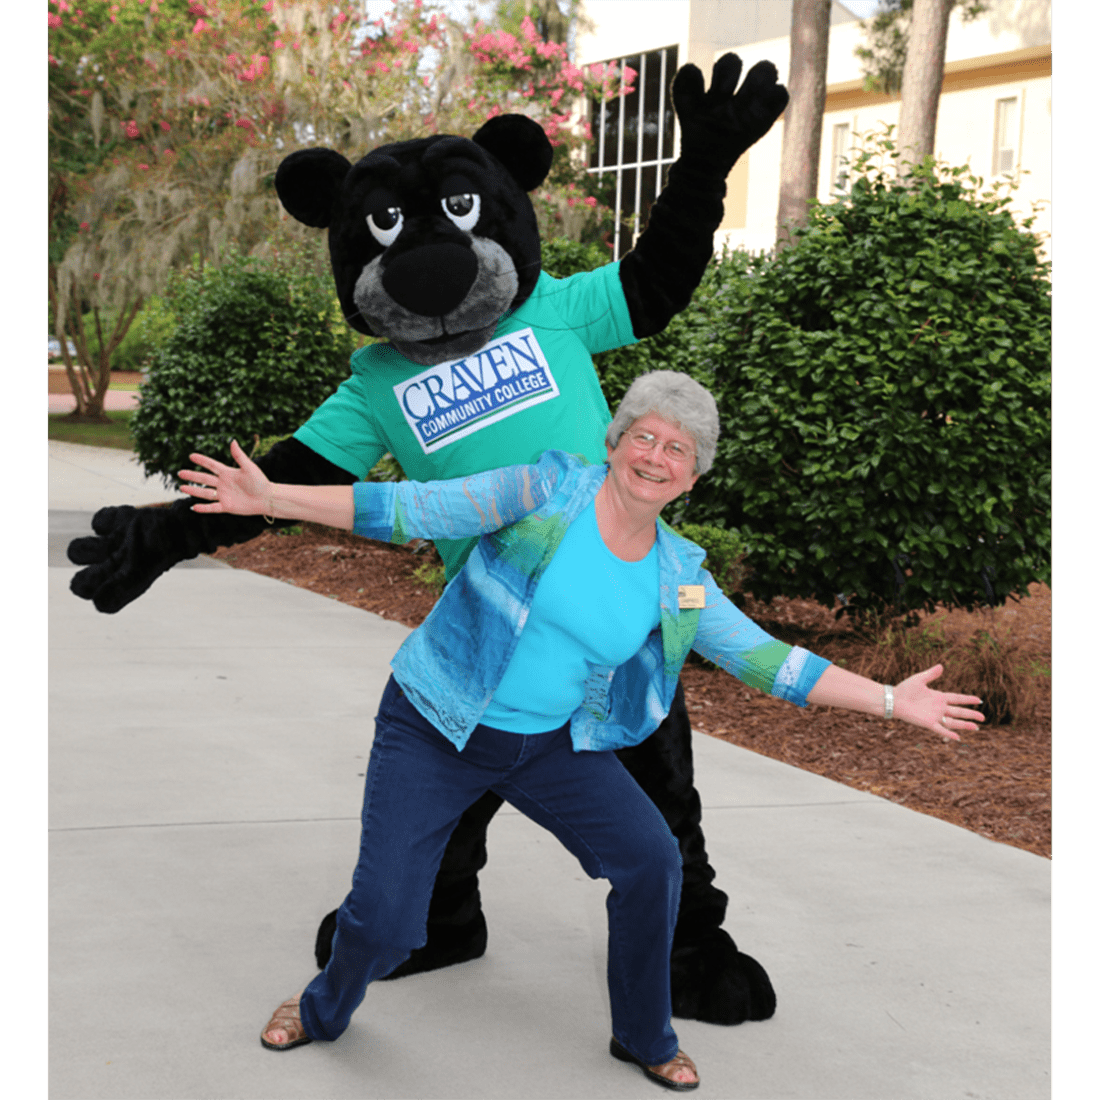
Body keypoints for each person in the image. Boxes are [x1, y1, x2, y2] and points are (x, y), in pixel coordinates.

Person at [180, 371, 984, 1091]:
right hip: (434, 722)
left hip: (546, 747)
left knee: (651, 861)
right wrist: (274, 500)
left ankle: (643, 1034)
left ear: (692, 476)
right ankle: (322, 1009)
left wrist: (889, 700)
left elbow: (766, 659)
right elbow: (413, 508)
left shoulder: (679, 577)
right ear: (616, 440)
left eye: (678, 448)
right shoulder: (541, 491)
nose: (657, 455)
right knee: (388, 921)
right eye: (645, 435)